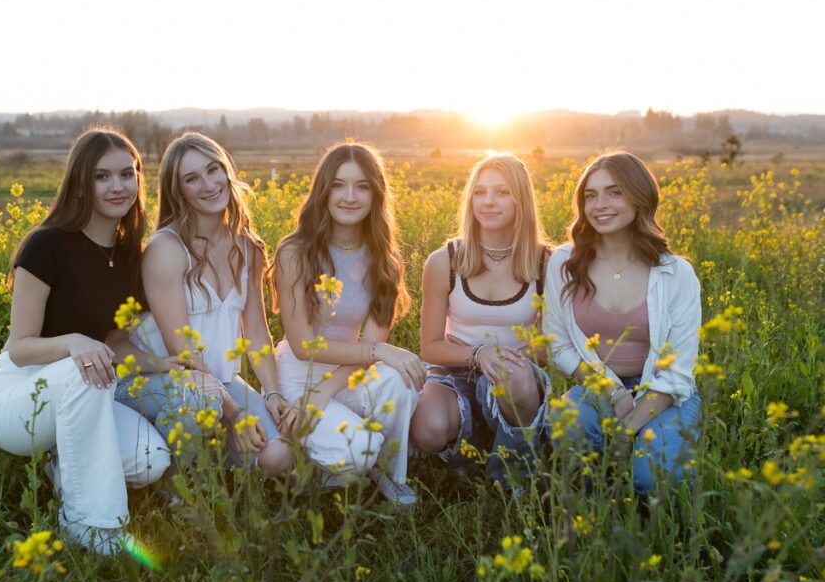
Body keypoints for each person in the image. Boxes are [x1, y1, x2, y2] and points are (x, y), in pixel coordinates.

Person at [0, 128, 171, 555]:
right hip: (19, 396)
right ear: (81, 182)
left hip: (85, 390)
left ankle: (61, 459)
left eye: (126, 174)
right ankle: (92, 528)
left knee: (150, 460)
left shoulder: (128, 257)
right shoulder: (46, 246)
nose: (117, 186)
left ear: (140, 178)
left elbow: (115, 344)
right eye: (102, 176)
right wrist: (73, 343)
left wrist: (165, 365)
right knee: (85, 369)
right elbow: (20, 346)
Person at [117, 133, 294, 476]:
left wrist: (272, 394)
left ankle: (213, 458)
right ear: (177, 191)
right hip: (162, 383)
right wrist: (237, 415)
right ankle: (175, 489)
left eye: (214, 170)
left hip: (222, 382)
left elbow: (256, 331)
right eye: (192, 178)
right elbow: (181, 353)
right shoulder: (166, 249)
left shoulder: (247, 247)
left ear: (227, 172)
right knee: (199, 400)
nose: (209, 184)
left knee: (280, 458)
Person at [269, 142, 424, 505]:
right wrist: (378, 351)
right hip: (298, 374)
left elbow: (370, 350)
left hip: (348, 374)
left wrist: (324, 391)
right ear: (323, 191)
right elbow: (303, 346)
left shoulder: (385, 261)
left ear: (376, 193)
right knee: (356, 451)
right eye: (338, 185)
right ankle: (321, 460)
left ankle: (388, 473)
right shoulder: (295, 252)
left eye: (362, 186)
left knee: (402, 380)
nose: (349, 196)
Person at [543, 152, 702, 495]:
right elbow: (559, 346)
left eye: (615, 192)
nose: (600, 204)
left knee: (653, 479)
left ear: (639, 196)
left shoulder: (675, 274)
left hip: (664, 391)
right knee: (564, 430)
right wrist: (613, 392)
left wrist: (627, 428)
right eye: (591, 195)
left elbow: (680, 370)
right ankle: (592, 498)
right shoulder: (563, 264)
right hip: (599, 385)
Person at [410, 153, 551, 482]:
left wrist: (501, 360)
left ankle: (512, 474)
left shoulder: (546, 263)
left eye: (502, 193)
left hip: (515, 373)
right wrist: (478, 354)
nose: (488, 202)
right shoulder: (443, 261)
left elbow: (548, 347)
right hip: (453, 369)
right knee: (427, 429)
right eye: (480, 192)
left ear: (522, 200)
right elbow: (430, 347)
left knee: (513, 379)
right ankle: (470, 456)